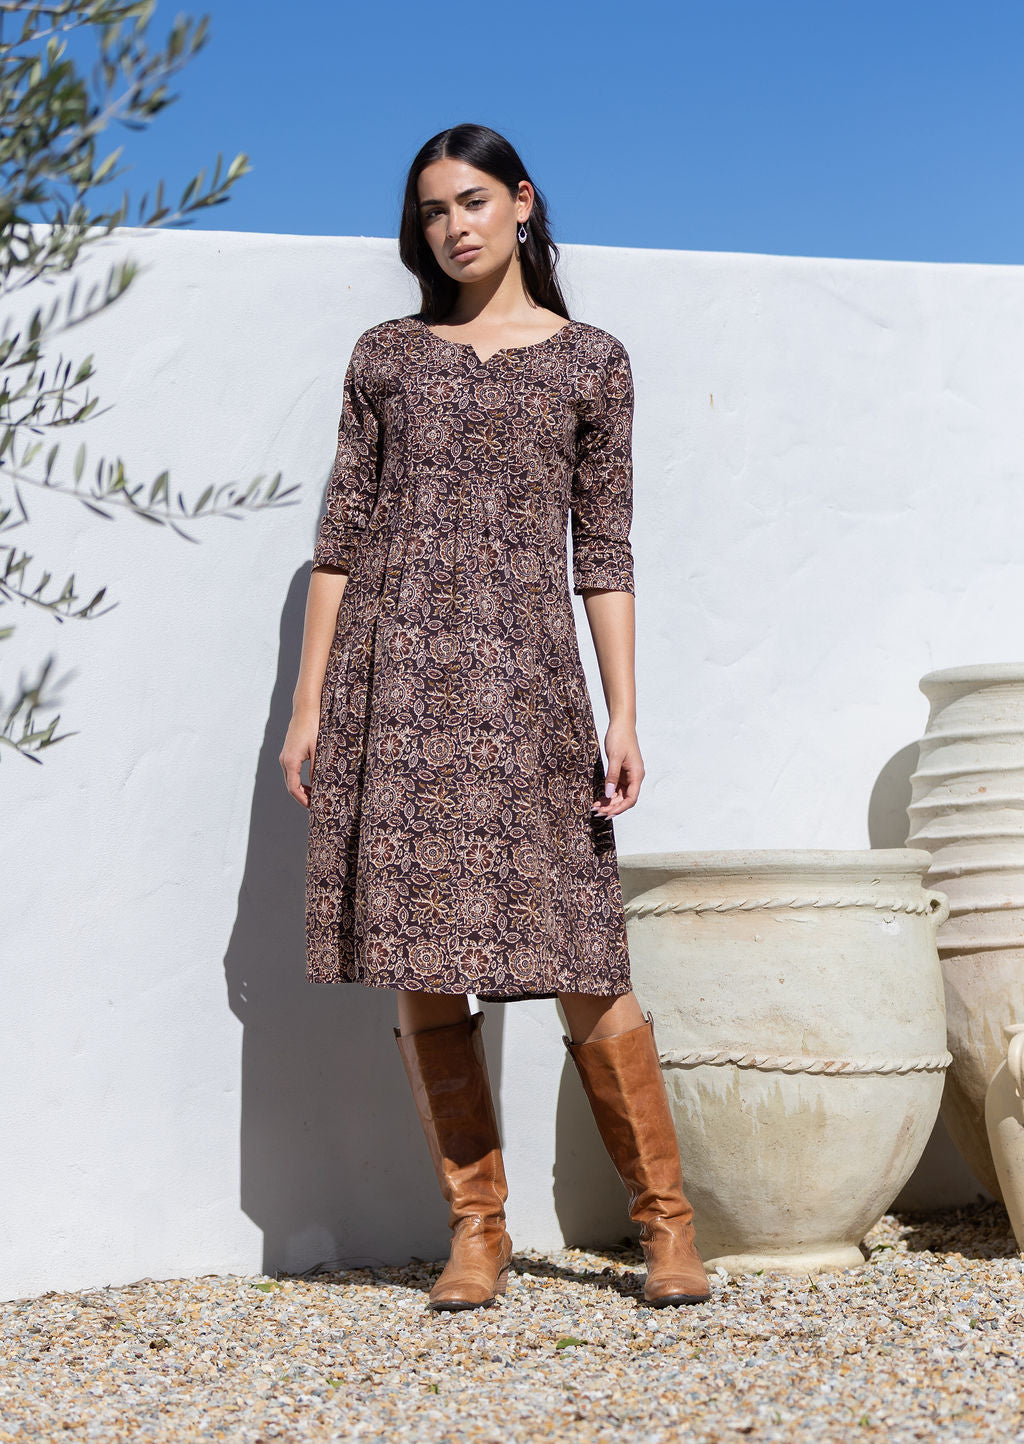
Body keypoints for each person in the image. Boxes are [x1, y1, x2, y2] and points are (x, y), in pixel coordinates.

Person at [279, 123, 710, 1313]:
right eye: (431, 211)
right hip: (397, 682)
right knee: (424, 957)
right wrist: (312, 703)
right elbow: (340, 541)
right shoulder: (388, 356)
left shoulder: (591, 363)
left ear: (522, 203)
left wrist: (624, 711)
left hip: (528, 690)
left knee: (581, 952)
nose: (453, 227)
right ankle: (478, 1230)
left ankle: (665, 1224)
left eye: (472, 201)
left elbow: (604, 548)